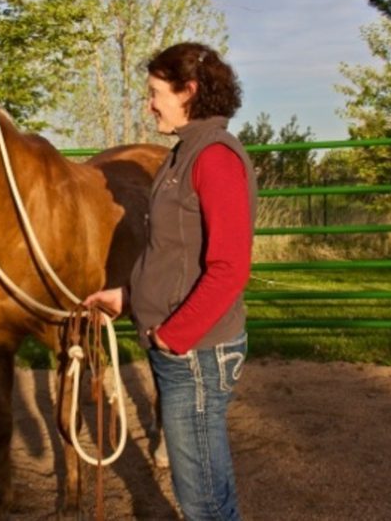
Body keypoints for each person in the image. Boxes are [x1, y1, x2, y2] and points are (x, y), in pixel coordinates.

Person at [84, 42, 257, 520]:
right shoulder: (186, 153)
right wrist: (128, 296)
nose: (150, 103)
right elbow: (173, 253)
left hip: (195, 353)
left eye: (156, 92)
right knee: (207, 490)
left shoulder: (214, 158)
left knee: (202, 502)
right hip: (185, 349)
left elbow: (230, 267)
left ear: (190, 91)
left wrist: (173, 336)